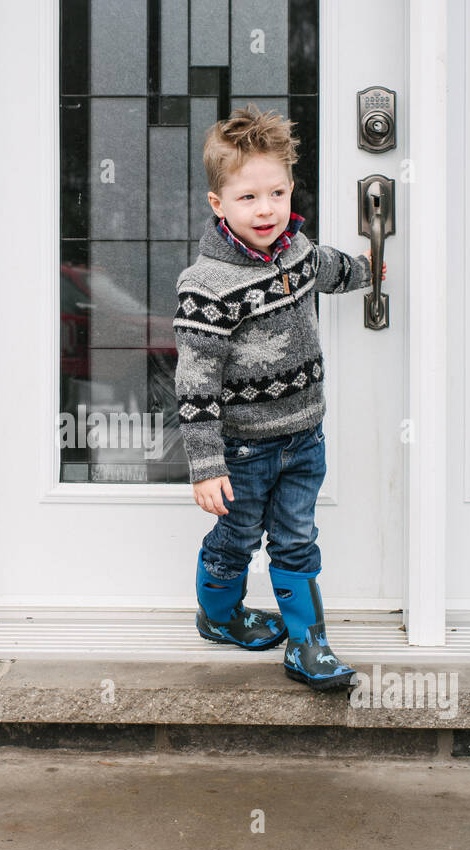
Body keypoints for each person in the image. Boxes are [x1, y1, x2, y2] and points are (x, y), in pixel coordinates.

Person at [172, 104, 386, 692]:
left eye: (277, 193)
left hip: (304, 438)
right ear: (218, 205)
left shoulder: (294, 252)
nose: (266, 210)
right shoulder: (206, 287)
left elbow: (327, 268)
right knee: (236, 539)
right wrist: (206, 464)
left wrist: (369, 268)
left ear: (291, 190)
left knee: (296, 538)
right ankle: (219, 617)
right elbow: (195, 384)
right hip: (242, 452)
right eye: (247, 198)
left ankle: (307, 643)